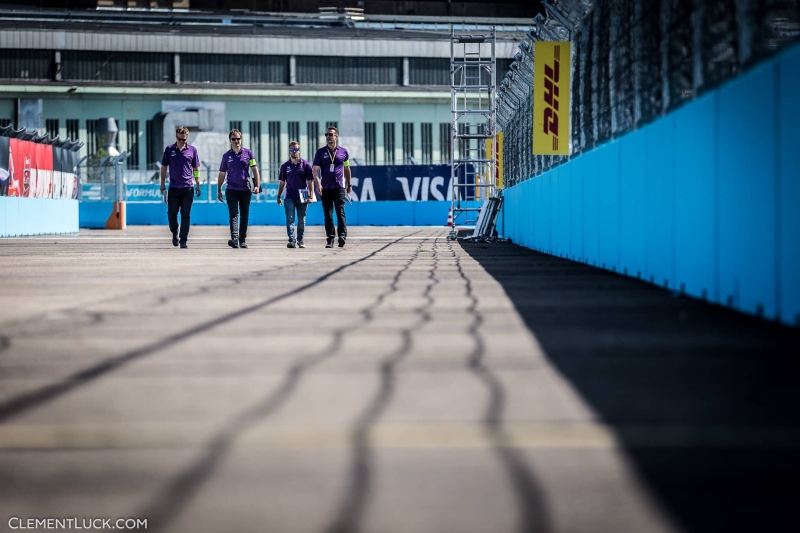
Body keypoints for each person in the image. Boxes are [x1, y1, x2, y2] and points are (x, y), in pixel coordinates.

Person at [217, 129, 260, 249]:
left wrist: (257, 185)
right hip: (231, 189)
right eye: (233, 139)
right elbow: (222, 173)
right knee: (234, 214)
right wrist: (219, 189)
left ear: (241, 139)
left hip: (245, 189)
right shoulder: (226, 156)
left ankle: (242, 240)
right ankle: (235, 239)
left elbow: (255, 170)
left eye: (238, 139)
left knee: (245, 215)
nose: (236, 141)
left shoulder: (248, 153)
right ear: (230, 140)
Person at [160, 126, 200, 249]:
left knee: (186, 214)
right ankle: (174, 232)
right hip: (174, 188)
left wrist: (197, 183)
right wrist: (162, 184)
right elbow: (164, 167)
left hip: (188, 187)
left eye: (184, 140)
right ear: (176, 137)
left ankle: (183, 240)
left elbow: (196, 168)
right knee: (172, 213)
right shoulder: (169, 149)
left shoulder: (192, 150)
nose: (182, 142)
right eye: (180, 139)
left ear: (187, 138)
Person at [312, 126, 352, 248]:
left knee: (340, 212)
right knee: (328, 214)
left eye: (330, 134)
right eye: (326, 135)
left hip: (339, 187)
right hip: (326, 188)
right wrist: (318, 185)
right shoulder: (320, 152)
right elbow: (315, 171)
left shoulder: (343, 152)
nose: (328, 137)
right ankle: (330, 239)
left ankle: (342, 236)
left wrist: (349, 184)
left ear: (336, 136)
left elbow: (347, 168)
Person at [277, 141, 315, 249]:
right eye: (292, 150)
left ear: (299, 150)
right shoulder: (284, 166)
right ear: (289, 151)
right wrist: (279, 196)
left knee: (301, 219)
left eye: (296, 149)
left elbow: (310, 181)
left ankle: (300, 240)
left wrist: (311, 195)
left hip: (302, 196)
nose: (294, 152)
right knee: (290, 219)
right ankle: (292, 240)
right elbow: (282, 183)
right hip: (289, 196)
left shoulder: (306, 165)